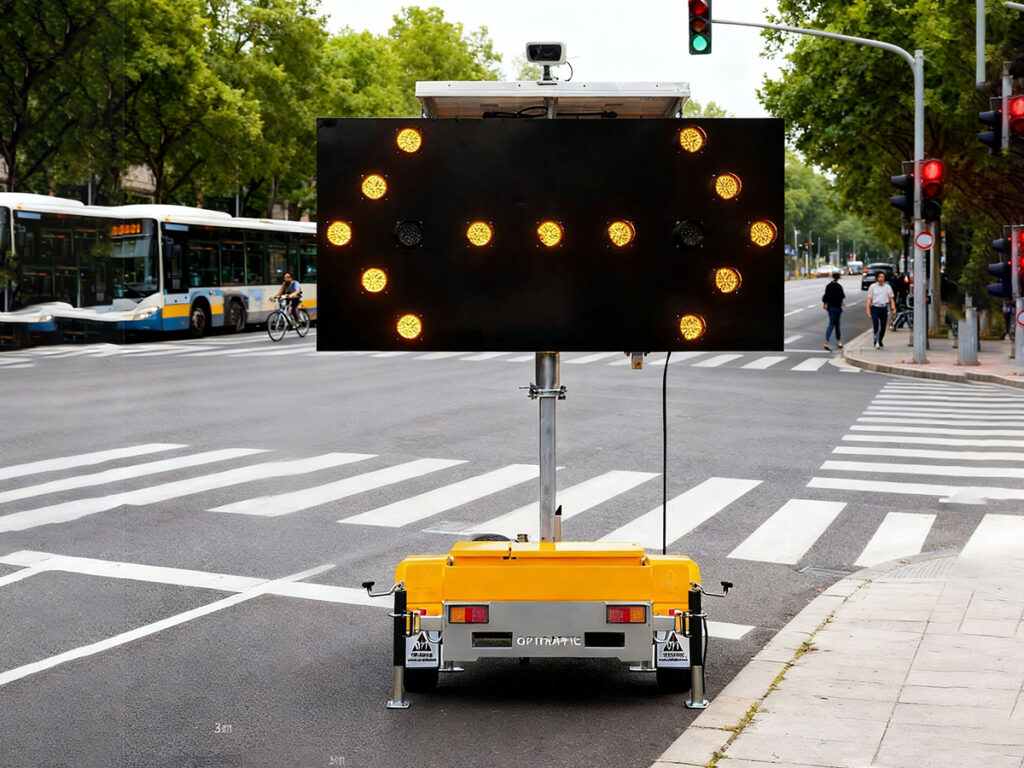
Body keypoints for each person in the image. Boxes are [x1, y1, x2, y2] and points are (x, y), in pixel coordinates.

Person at [865, 271, 896, 349]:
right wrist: (868, 309)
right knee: (876, 325)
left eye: (882, 277)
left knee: (883, 326)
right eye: (879, 277)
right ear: (877, 278)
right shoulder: (873, 287)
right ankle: (876, 340)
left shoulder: (887, 287)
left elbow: (891, 298)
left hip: (883, 308)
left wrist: (893, 307)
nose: (881, 279)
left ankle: (880, 339)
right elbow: (869, 299)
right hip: (875, 307)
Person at [822, 269, 845, 350]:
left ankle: (827, 341)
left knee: (831, 324)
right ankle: (838, 341)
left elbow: (825, 297)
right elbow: (842, 298)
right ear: (838, 277)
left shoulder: (829, 286)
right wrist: (842, 304)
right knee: (836, 325)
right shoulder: (839, 286)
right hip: (837, 308)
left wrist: (825, 304)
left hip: (830, 308)